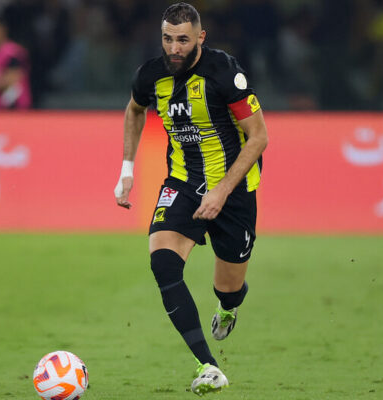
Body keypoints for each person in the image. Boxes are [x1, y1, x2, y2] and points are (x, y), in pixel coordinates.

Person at [114, 3, 268, 396]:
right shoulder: (149, 76)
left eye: (183, 39)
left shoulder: (224, 73)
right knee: (163, 264)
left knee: (229, 286)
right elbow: (134, 111)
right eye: (167, 39)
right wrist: (127, 170)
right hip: (182, 183)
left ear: (201, 37)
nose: (174, 48)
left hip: (233, 189)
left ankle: (230, 306)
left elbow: (259, 137)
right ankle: (208, 365)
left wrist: (221, 190)